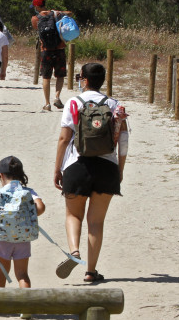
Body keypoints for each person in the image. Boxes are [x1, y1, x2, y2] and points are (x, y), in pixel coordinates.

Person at [53, 62, 129, 283]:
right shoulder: (114, 105)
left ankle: (74, 251)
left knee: (73, 215)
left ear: (83, 80)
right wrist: (119, 170)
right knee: (96, 222)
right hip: (107, 168)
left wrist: (58, 168)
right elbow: (123, 142)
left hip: (77, 166)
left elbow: (64, 138)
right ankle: (91, 271)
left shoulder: (74, 103)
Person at [0, 156, 45, 288]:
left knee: (2, 272)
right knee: (22, 274)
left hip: (3, 239)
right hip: (23, 237)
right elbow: (41, 208)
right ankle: (26, 306)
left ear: (1, 175)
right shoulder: (28, 192)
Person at [31, 0, 73, 111]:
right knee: (60, 75)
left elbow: (38, 30)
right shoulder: (56, 14)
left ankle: (47, 103)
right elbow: (70, 13)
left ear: (36, 6)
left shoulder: (35, 18)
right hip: (59, 48)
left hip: (45, 50)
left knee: (46, 77)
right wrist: (57, 12)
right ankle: (57, 97)